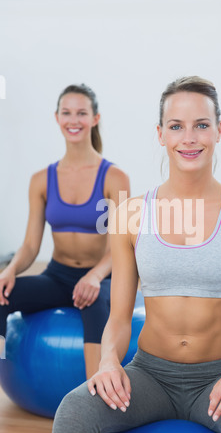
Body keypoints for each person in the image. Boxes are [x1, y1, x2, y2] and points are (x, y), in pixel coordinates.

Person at [50, 76, 221, 433]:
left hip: (220, 377)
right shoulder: (129, 215)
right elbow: (119, 319)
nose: (189, 138)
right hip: (149, 376)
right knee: (73, 410)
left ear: (218, 130)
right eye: (176, 126)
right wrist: (108, 361)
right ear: (160, 134)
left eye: (201, 125)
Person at [0, 84, 130, 378]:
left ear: (95, 118)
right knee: (0, 296)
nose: (74, 120)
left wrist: (95, 276)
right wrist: (9, 271)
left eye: (82, 113)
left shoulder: (115, 177)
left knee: (93, 302)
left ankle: (95, 398)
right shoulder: (40, 180)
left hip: (103, 277)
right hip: (57, 276)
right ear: (57, 118)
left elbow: (123, 245)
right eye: (67, 113)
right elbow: (31, 246)